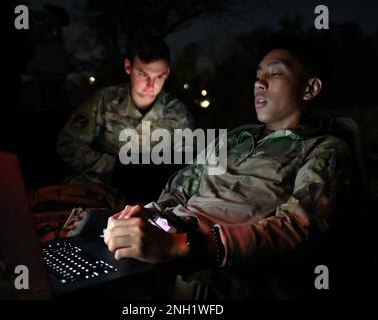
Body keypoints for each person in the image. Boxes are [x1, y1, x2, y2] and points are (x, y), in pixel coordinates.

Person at [76, 38, 354, 299]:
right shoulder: (233, 140)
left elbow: (298, 227)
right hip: (164, 241)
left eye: (276, 73)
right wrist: (149, 214)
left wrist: (187, 246)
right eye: (258, 74)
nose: (259, 82)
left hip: (210, 267)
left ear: (310, 88)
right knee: (77, 262)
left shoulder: (323, 148)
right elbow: (178, 191)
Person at [57, 35, 194, 188]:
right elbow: (68, 143)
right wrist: (111, 166)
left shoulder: (178, 113)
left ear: (167, 72)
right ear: (128, 67)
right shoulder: (104, 101)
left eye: (159, 76)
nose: (151, 84)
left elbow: (187, 164)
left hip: (153, 194)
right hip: (104, 189)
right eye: (143, 74)